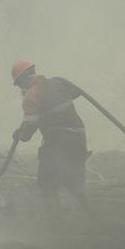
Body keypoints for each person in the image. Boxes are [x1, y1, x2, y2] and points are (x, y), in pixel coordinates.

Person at [10, 60, 92, 218]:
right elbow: (76, 93)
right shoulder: (58, 83)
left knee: (46, 181)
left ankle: (56, 222)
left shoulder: (30, 96)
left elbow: (29, 129)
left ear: (22, 80)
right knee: (74, 181)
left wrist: (19, 134)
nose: (20, 89)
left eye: (19, 85)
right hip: (79, 136)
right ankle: (94, 216)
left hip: (59, 139)